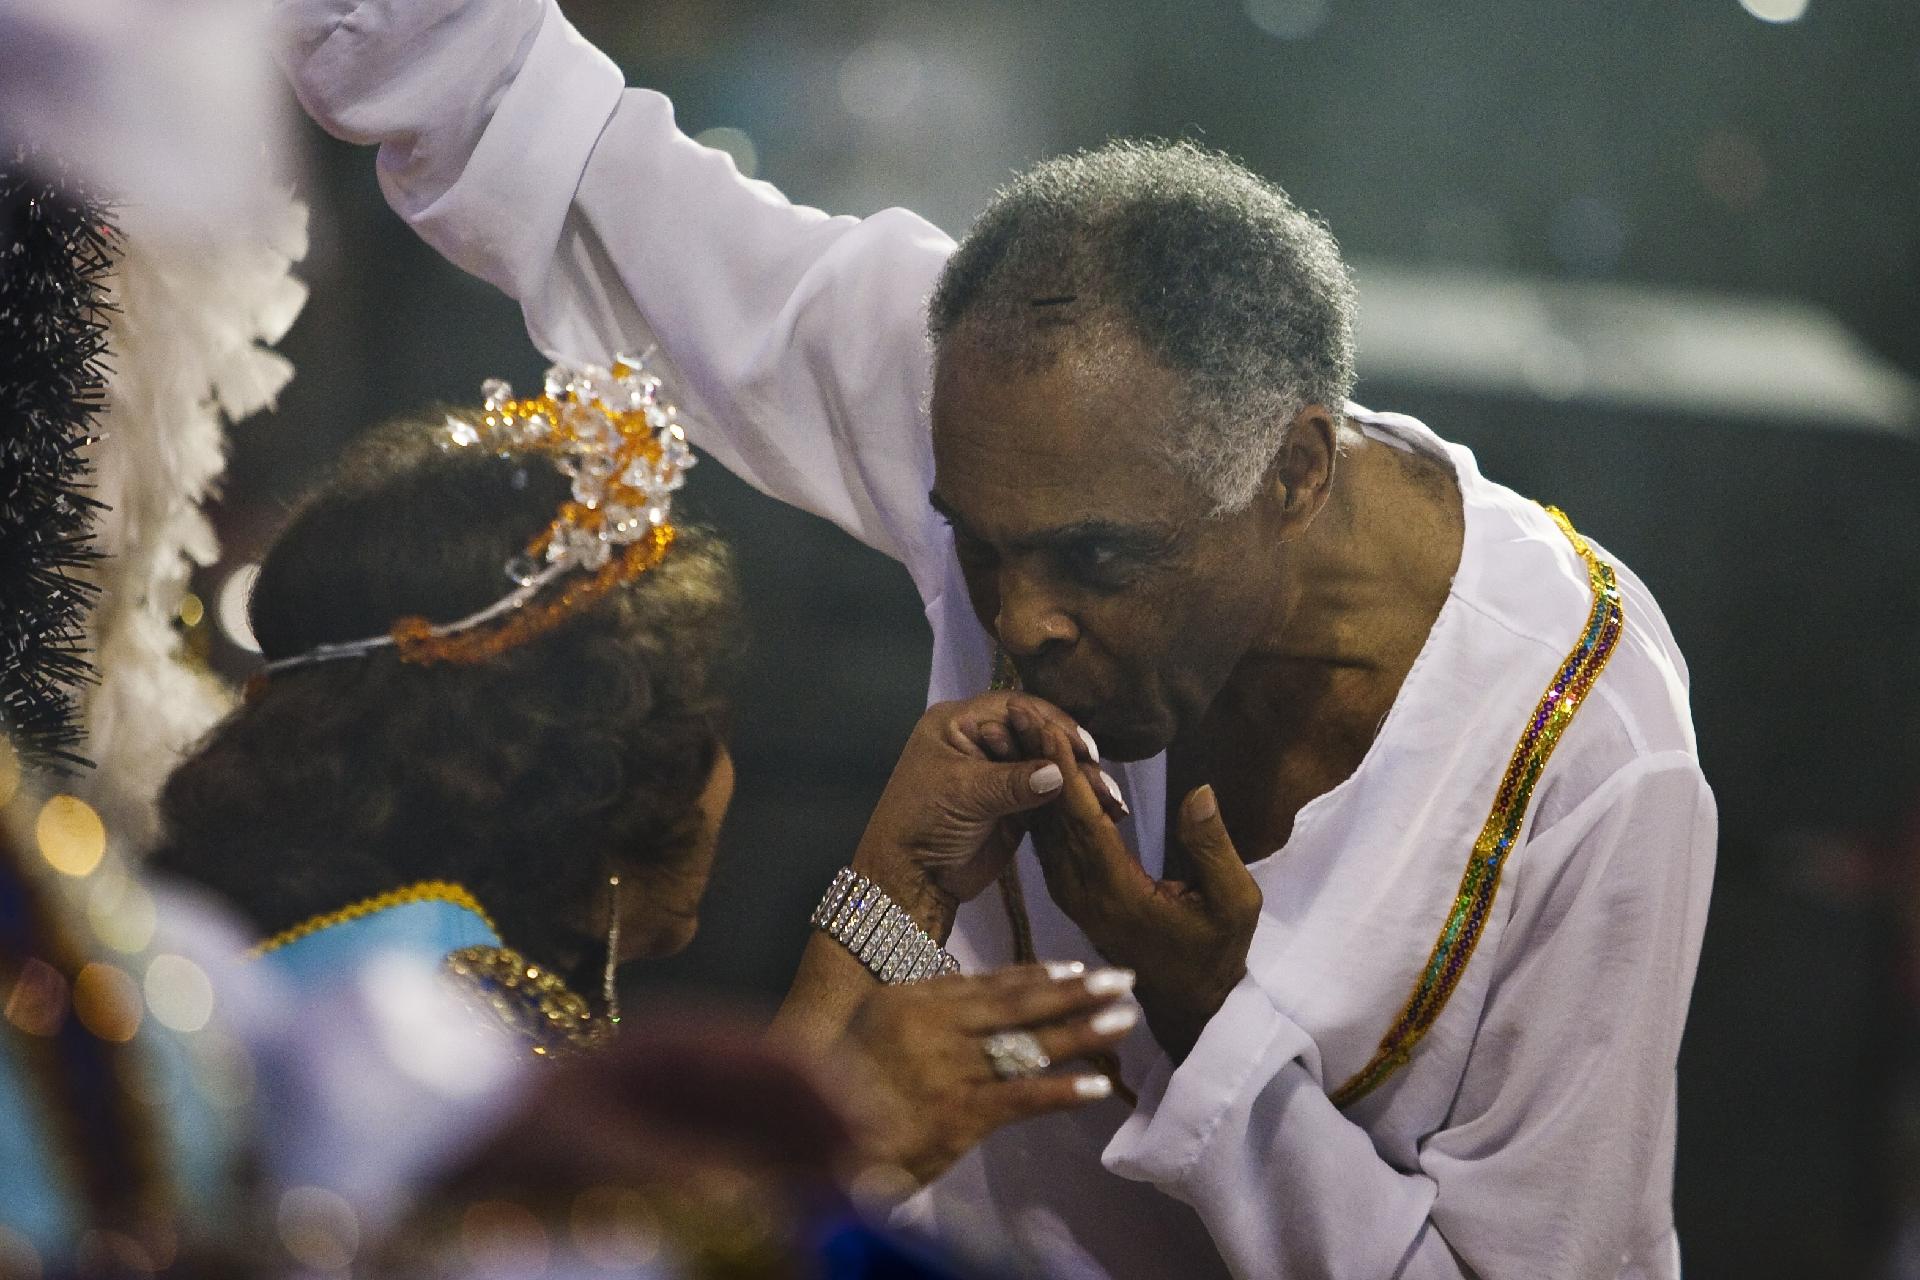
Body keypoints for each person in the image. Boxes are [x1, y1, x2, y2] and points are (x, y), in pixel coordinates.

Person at [277, 10, 1718, 1277]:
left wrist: (1221, 1032)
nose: (1021, 619)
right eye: (974, 544)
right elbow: (589, 174)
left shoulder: (1590, 749)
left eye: (1098, 562)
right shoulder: (1009, 410)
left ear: (1291, 475)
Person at [151, 360, 1139, 1199]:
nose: (722, 773)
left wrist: (902, 875)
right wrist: (863, 1145)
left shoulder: (331, 957)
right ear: (612, 774)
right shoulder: (445, 1024)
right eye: (712, 726)